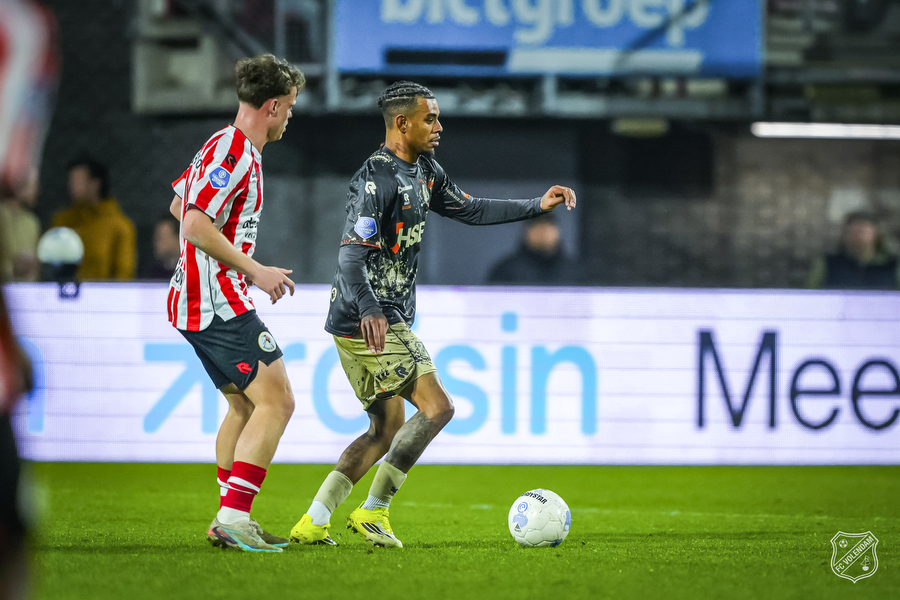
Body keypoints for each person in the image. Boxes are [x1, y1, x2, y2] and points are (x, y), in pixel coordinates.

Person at [289, 81, 576, 548]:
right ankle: (374, 510)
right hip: (372, 316)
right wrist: (371, 309)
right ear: (402, 123)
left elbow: (470, 209)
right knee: (439, 407)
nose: (439, 126)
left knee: (384, 429)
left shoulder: (424, 170)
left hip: (359, 319)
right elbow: (350, 255)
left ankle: (313, 520)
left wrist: (535, 206)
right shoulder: (376, 178)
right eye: (430, 118)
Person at [166, 53, 305, 553]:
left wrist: (233, 256)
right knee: (278, 401)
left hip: (197, 298)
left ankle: (227, 518)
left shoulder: (221, 143)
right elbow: (193, 222)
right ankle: (234, 517)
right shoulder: (235, 151)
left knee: (244, 406)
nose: (290, 115)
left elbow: (180, 202)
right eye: (290, 106)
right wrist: (254, 269)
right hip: (216, 302)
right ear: (272, 106)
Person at [51, 154, 136, 281]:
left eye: (78, 180)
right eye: (71, 180)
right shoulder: (62, 220)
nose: (72, 186)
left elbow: (124, 276)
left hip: (102, 292)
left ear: (95, 184)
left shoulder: (119, 227)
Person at [807, 210, 900, 289]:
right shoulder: (828, 264)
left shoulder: (893, 266)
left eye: (861, 232)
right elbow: (810, 295)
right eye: (851, 232)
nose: (856, 238)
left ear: (875, 236)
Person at [486, 213, 581, 285]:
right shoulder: (507, 270)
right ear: (527, 232)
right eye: (538, 226)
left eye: (549, 226)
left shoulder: (575, 271)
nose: (544, 232)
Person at [0, 168, 41, 282]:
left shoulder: (32, 222)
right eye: (33, 186)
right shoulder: (2, 215)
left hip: (24, 286)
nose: (36, 191)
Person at [141, 214, 181, 280]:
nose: (156, 242)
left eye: (161, 238)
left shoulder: (191, 271)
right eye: (155, 238)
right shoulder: (152, 274)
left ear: (178, 238)